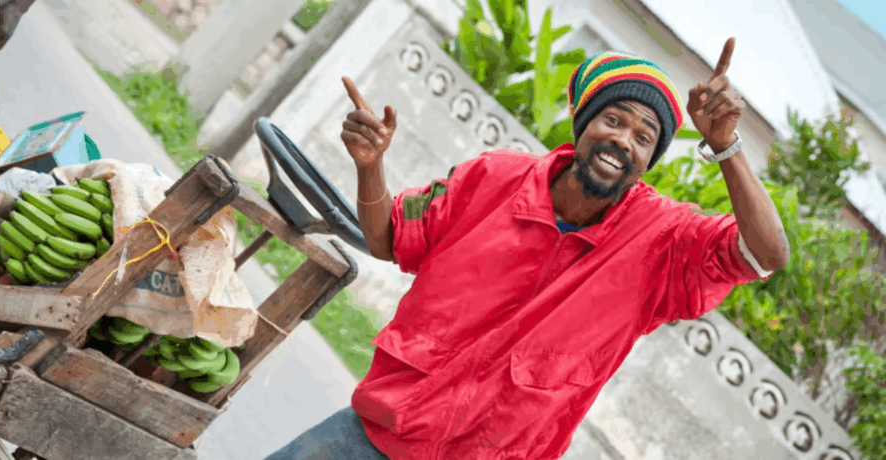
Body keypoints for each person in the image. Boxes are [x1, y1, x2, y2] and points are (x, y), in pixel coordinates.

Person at [265, 37, 789, 460]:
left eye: (644, 136)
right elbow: (388, 238)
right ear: (584, 124)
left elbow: (767, 255)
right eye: (613, 120)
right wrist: (370, 165)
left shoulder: (663, 241)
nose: (624, 140)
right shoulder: (491, 177)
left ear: (648, 160)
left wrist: (724, 144)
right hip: (374, 440)